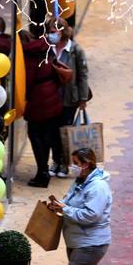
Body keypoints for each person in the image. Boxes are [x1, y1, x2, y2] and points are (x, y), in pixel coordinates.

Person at [45, 146, 112, 263]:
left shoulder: (98, 187)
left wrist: (65, 209)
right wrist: (58, 204)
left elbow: (91, 215)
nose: (73, 167)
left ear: (85, 164)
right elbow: (70, 198)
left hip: (90, 244)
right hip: (76, 240)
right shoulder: (81, 179)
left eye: (76, 163)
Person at [21, 24, 65, 187]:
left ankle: (42, 172)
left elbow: (27, 81)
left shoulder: (28, 56)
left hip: (39, 100)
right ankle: (44, 169)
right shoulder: (45, 49)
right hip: (52, 97)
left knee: (35, 134)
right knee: (46, 135)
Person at [49, 17, 91, 178]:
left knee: (65, 131)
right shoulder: (48, 49)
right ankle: (55, 161)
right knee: (52, 131)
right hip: (51, 98)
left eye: (53, 32)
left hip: (69, 99)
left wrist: (82, 98)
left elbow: (83, 75)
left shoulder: (76, 51)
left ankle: (64, 163)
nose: (51, 35)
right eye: (50, 32)